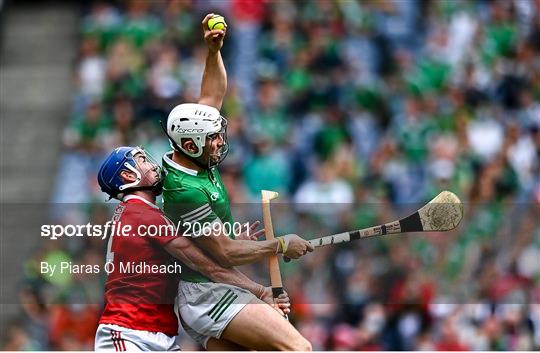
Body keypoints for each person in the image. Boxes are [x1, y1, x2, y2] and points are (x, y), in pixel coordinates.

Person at [161, 14, 314, 351]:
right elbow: (226, 253)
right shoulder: (184, 189)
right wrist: (281, 244)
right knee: (299, 348)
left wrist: (213, 51)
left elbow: (212, 95)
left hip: (206, 292)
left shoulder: (192, 154)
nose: (220, 143)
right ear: (189, 145)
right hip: (206, 293)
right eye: (212, 139)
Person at [94, 146, 291, 351]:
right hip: (128, 333)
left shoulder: (139, 213)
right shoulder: (144, 216)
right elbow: (206, 266)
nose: (153, 165)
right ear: (127, 175)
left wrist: (232, 242)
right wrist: (260, 291)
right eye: (142, 160)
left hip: (157, 335)